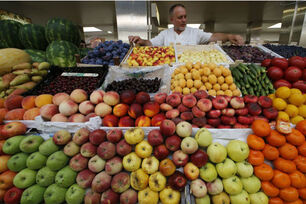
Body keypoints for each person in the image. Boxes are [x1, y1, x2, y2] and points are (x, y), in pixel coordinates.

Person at [129, 4, 244, 46]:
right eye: (180, 17)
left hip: (190, 76)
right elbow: (150, 43)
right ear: (172, 19)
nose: (184, 20)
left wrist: (229, 36)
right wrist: (142, 41)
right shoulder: (164, 34)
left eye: (185, 16)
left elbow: (213, 36)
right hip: (171, 74)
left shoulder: (195, 32)